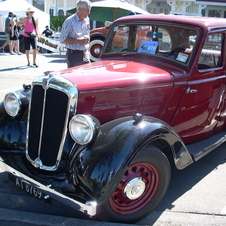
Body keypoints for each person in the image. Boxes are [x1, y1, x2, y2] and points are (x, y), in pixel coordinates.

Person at [60, 0, 91, 68]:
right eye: (87, 10)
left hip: (85, 53)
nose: (89, 12)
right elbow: (62, 39)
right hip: (74, 55)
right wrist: (79, 41)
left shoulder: (87, 19)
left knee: (87, 76)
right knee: (75, 77)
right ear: (79, 9)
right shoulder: (69, 21)